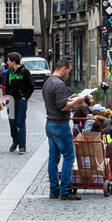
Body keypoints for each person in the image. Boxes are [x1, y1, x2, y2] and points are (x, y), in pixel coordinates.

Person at [41, 57, 86, 200]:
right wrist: (78, 101)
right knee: (69, 156)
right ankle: (65, 191)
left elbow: (57, 102)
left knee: (53, 158)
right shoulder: (59, 84)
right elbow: (62, 107)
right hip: (60, 125)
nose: (69, 74)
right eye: (69, 71)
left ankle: (54, 190)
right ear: (63, 68)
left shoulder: (48, 82)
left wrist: (69, 99)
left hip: (50, 123)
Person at [5, 52, 34, 153]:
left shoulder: (24, 71)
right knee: (12, 122)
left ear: (13, 61)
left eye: (8, 60)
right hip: (11, 101)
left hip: (21, 101)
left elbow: (31, 86)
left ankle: (22, 145)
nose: (7, 62)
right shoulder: (9, 72)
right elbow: (6, 86)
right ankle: (15, 141)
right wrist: (7, 98)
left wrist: (25, 97)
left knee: (20, 122)